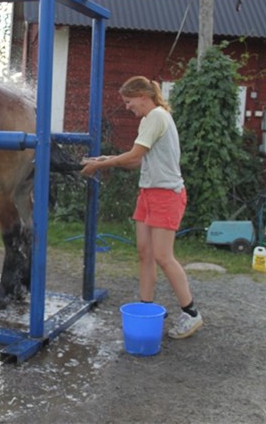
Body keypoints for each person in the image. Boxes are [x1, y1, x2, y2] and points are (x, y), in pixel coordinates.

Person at [81, 76, 203, 339]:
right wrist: (107, 158)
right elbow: (138, 160)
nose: (127, 107)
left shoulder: (158, 116)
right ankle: (147, 308)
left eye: (128, 101)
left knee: (162, 255)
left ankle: (191, 313)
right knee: (144, 252)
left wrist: (100, 166)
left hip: (166, 194)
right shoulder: (149, 120)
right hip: (148, 193)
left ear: (142, 96)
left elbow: (135, 155)